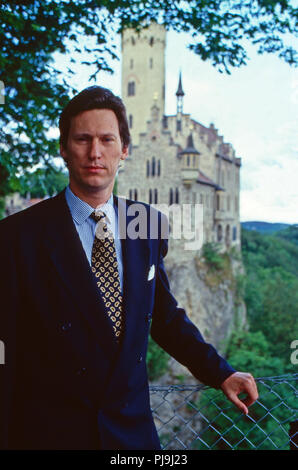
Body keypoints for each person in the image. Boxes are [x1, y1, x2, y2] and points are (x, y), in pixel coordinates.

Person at [0, 86, 258, 450]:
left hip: (131, 434)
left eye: (107, 139)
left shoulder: (146, 223)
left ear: (124, 150)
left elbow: (164, 316)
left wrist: (221, 373)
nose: (95, 152)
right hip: (52, 433)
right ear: (63, 149)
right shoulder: (17, 236)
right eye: (82, 139)